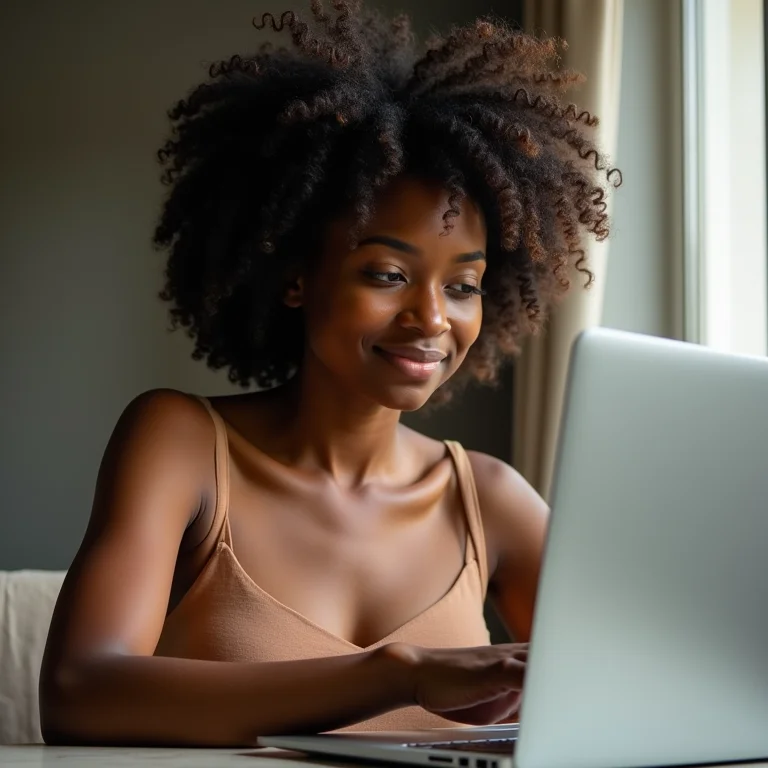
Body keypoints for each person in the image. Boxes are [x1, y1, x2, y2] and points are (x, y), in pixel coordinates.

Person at [39, 0, 619, 747]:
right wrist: (399, 673)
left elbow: (643, 679)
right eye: (386, 274)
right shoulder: (182, 443)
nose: (433, 319)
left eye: (463, 285)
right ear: (295, 277)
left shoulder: (491, 500)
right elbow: (80, 693)